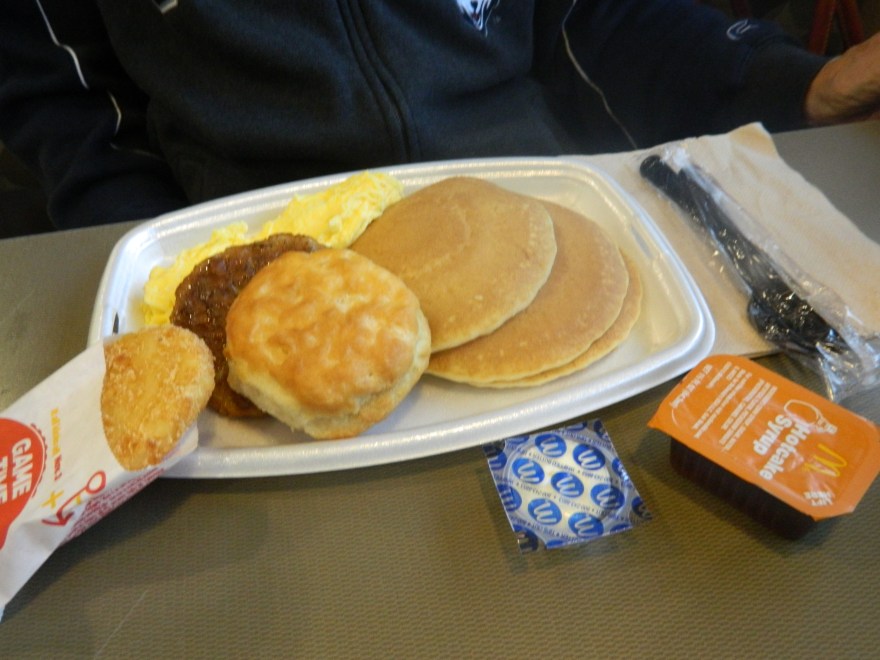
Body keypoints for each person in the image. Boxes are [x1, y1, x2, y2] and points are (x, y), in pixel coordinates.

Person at [1, 0, 879, 231]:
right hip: (254, 245)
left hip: (543, 210)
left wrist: (792, 86)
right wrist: (150, 263)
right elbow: (74, 109)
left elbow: (594, 17)